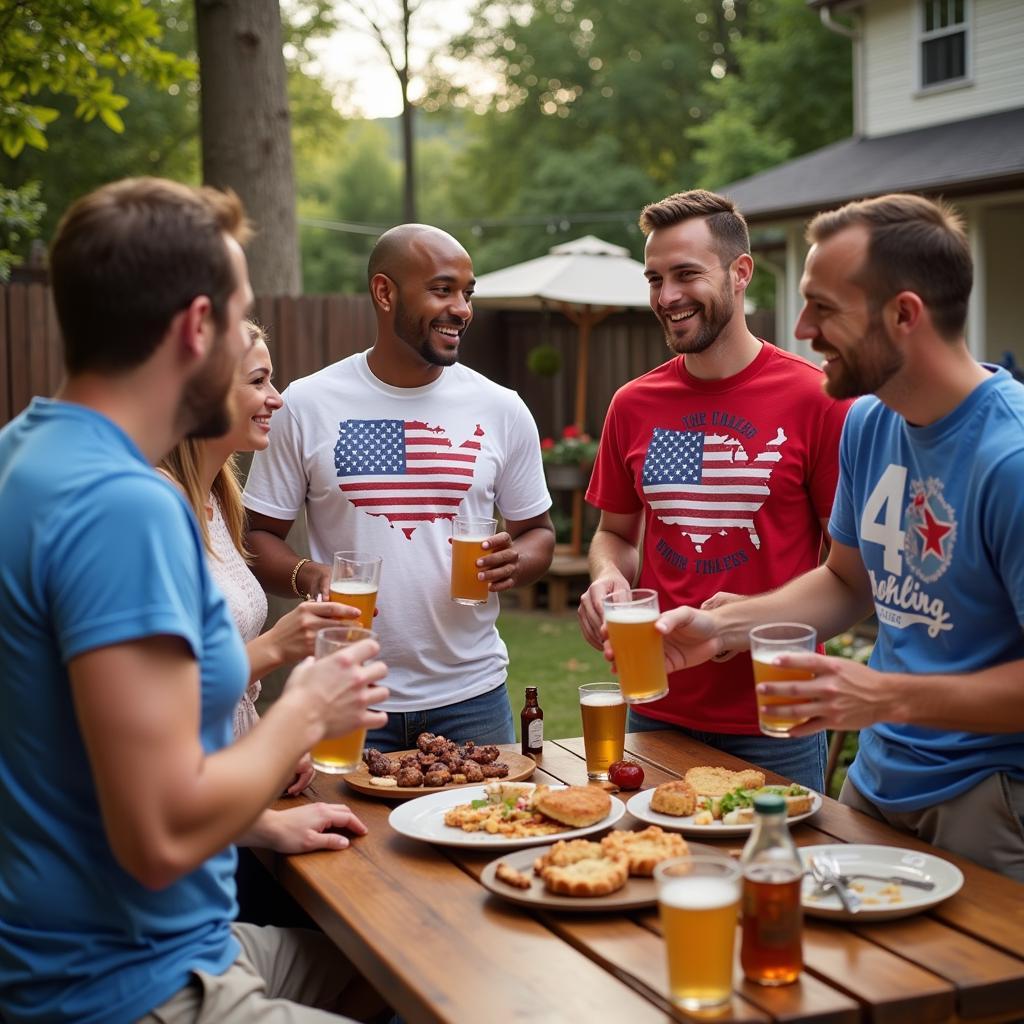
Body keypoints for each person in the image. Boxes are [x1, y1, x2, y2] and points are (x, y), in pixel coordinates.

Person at [0, 177, 390, 1024]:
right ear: (196, 328)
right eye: (242, 314)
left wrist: (262, 824)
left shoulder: (25, 452)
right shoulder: (120, 505)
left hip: (177, 938)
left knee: (399, 968)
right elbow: (161, 835)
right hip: (126, 981)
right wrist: (309, 708)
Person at [653, 192, 1024, 880]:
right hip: (880, 780)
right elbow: (847, 581)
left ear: (904, 315)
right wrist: (726, 628)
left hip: (992, 799)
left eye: (823, 308)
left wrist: (885, 695)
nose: (801, 327)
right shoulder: (868, 423)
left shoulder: (1011, 459)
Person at [243, 223, 555, 751]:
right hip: (350, 692)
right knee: (347, 836)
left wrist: (516, 561)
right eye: (442, 289)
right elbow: (257, 538)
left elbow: (539, 534)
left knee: (486, 831)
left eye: (467, 292)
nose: (462, 308)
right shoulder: (307, 403)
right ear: (385, 293)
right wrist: (309, 573)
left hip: (473, 698)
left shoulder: (501, 407)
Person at [578, 189, 850, 791]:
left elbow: (849, 567)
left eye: (685, 275)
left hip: (777, 719)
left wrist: (750, 622)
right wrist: (606, 578)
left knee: (773, 879)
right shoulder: (636, 403)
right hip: (653, 707)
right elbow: (616, 534)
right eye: (654, 278)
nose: (666, 296)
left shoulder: (819, 398)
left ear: (740, 273)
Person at [160, 320, 369, 861]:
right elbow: (165, 700)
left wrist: (266, 750)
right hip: (187, 819)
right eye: (258, 382)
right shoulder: (154, 509)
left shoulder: (217, 500)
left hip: (236, 794)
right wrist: (278, 646)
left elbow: (220, 681)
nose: (276, 399)